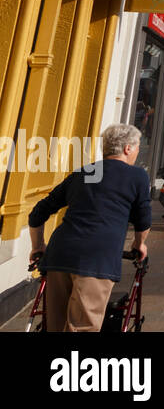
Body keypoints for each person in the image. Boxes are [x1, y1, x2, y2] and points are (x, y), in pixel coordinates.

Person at [28, 124, 150, 332]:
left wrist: (38, 246)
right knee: (83, 326)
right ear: (127, 148)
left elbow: (38, 213)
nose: (137, 152)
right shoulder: (137, 176)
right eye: (137, 147)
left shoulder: (84, 172)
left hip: (60, 254)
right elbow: (143, 220)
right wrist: (140, 245)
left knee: (55, 326)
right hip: (97, 257)